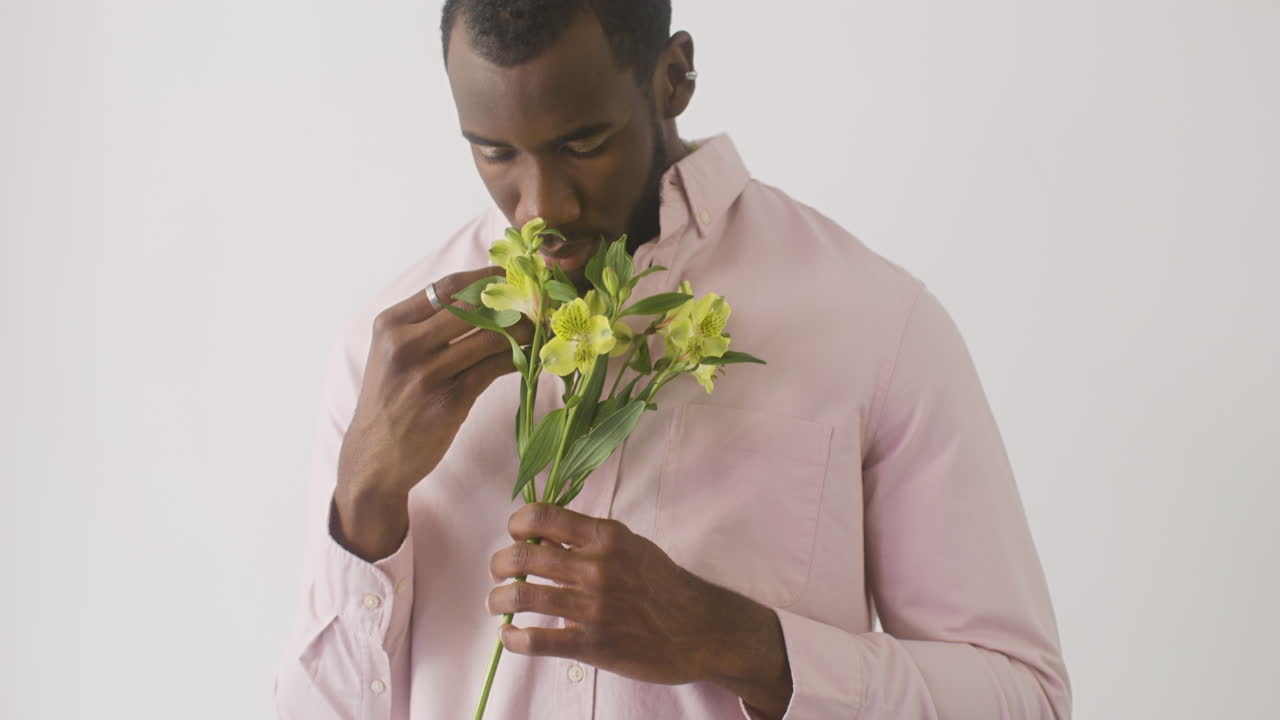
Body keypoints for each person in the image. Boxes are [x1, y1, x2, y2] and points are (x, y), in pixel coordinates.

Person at [273, 1, 1073, 718]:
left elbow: (1025, 700)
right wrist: (364, 504)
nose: (542, 207)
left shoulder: (876, 326)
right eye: (494, 154)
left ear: (673, 76)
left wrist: (742, 644)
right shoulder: (390, 353)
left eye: (582, 143)